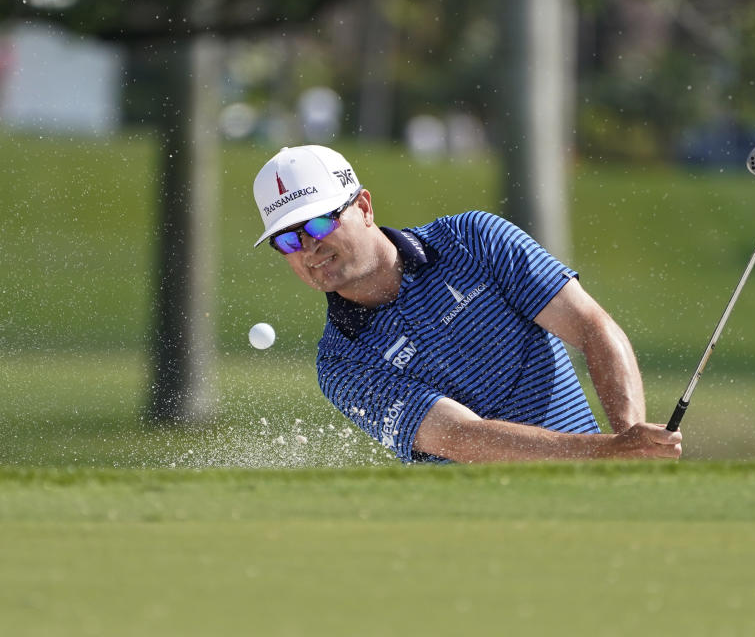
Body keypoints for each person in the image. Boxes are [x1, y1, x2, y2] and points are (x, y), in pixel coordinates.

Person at [252, 145, 682, 463]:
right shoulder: (341, 363)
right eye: (287, 239)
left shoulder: (472, 239)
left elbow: (591, 326)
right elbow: (461, 437)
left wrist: (632, 442)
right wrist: (608, 453)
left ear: (363, 206)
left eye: (321, 222)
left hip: (599, 492)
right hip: (481, 537)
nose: (308, 248)